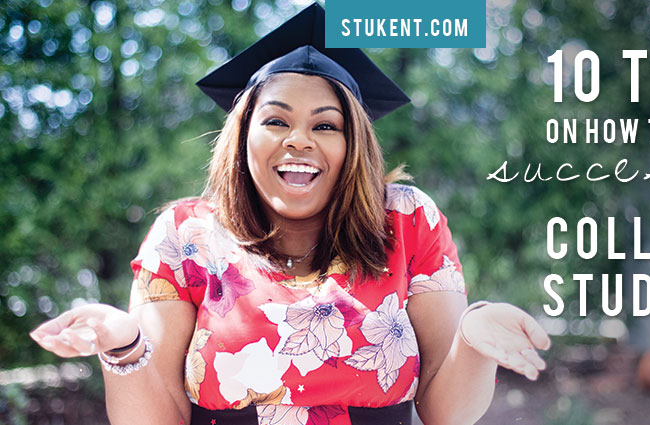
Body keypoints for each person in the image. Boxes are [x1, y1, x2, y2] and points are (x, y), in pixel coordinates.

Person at [29, 4, 550, 424]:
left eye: (326, 126)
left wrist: (472, 339)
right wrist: (123, 345)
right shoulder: (184, 237)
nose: (299, 139)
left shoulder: (407, 221)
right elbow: (155, 415)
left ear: (355, 145)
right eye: (276, 119)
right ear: (243, 136)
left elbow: (445, 411)